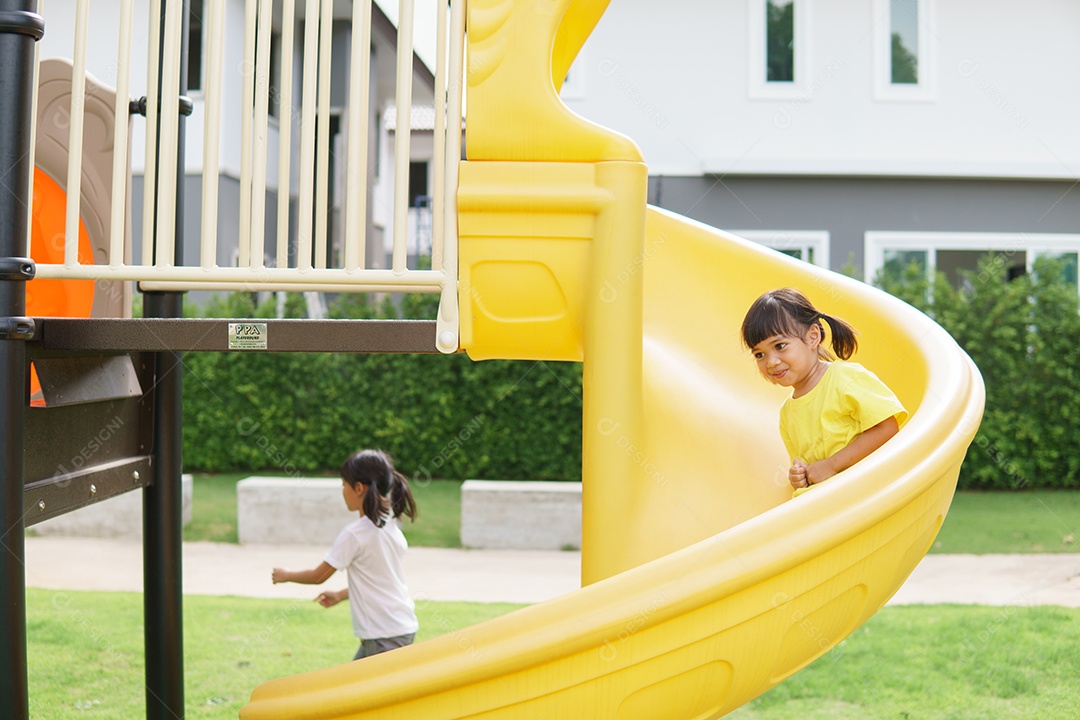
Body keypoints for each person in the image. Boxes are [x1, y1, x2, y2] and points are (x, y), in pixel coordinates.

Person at [741, 288, 908, 497]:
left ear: (812, 337)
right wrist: (799, 476)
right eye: (760, 354)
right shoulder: (787, 413)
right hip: (824, 509)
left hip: (864, 498)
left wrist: (831, 465)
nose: (771, 362)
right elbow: (809, 470)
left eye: (780, 346)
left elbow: (887, 428)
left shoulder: (845, 379)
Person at [271, 448, 420, 660]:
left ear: (358, 488)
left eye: (343, 485)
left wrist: (286, 575)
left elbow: (318, 576)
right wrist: (341, 594)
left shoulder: (356, 533)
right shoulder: (389, 523)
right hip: (397, 627)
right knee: (356, 685)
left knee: (369, 692)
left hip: (384, 635)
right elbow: (378, 580)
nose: (342, 492)